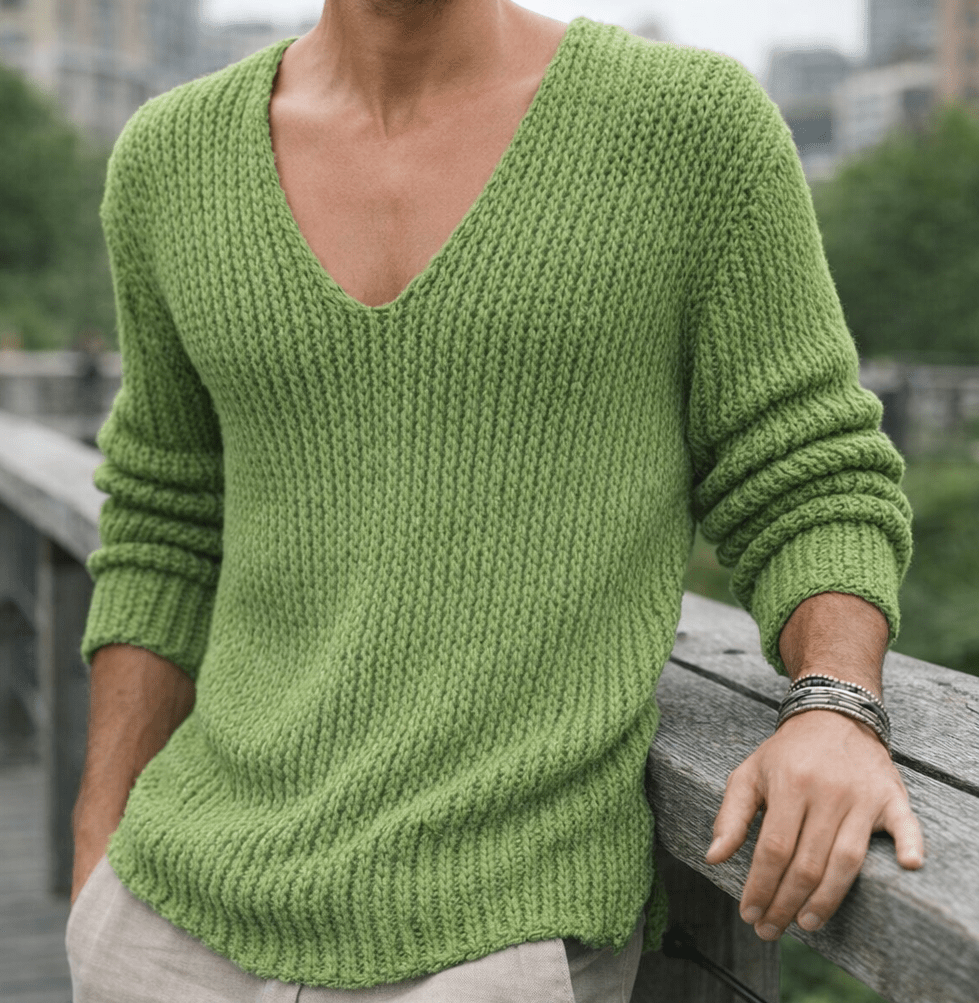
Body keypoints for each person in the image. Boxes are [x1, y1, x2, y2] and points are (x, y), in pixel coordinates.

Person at [65, 1, 926, 1000]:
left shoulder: (688, 127)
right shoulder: (169, 160)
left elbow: (808, 470)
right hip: (164, 918)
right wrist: (96, 846)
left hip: (496, 933)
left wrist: (834, 704)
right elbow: (163, 520)